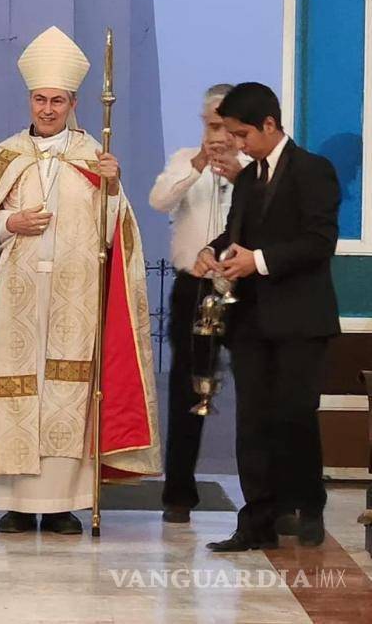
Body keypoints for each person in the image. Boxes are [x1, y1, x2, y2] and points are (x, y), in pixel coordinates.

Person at [0, 26, 161, 534]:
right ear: (29, 100)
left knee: (68, 392)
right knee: (15, 389)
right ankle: (14, 503)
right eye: (40, 99)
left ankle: (61, 504)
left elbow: (117, 233)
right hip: (17, 300)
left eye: (57, 100)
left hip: (74, 300)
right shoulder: (4, 157)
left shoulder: (94, 157)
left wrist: (113, 187)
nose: (48, 109)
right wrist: (10, 224)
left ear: (74, 103)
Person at [194, 82, 340, 551]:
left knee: (294, 415)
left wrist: (256, 261)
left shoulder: (314, 170)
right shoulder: (250, 179)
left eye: (242, 134)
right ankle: (256, 520)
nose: (237, 144)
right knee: (253, 421)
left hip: (300, 319)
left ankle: (307, 506)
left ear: (270, 124)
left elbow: (319, 242)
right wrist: (212, 250)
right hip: (252, 322)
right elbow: (236, 233)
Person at [149, 84, 247, 523]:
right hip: (194, 287)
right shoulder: (185, 159)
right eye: (211, 126)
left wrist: (238, 174)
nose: (217, 136)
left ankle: (261, 495)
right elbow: (160, 200)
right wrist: (198, 166)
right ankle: (179, 494)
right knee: (188, 389)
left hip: (244, 288)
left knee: (253, 388)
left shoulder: (253, 168)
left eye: (225, 126)